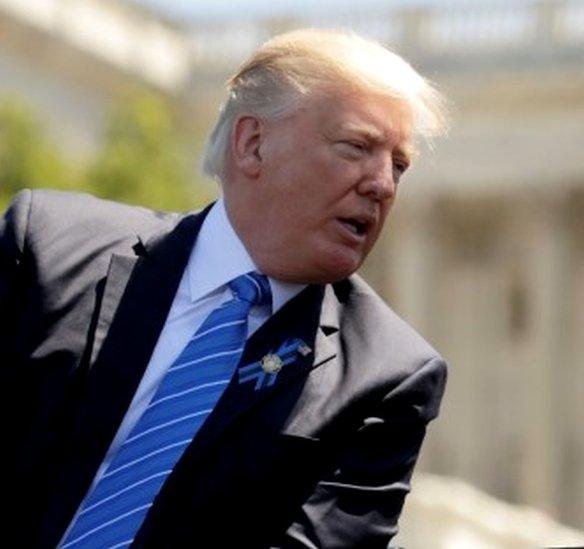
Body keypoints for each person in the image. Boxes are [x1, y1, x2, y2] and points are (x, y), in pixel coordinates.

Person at [1, 29, 449, 548]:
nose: (383, 185)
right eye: (356, 147)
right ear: (252, 144)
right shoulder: (48, 247)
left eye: (398, 165)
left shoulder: (386, 376)